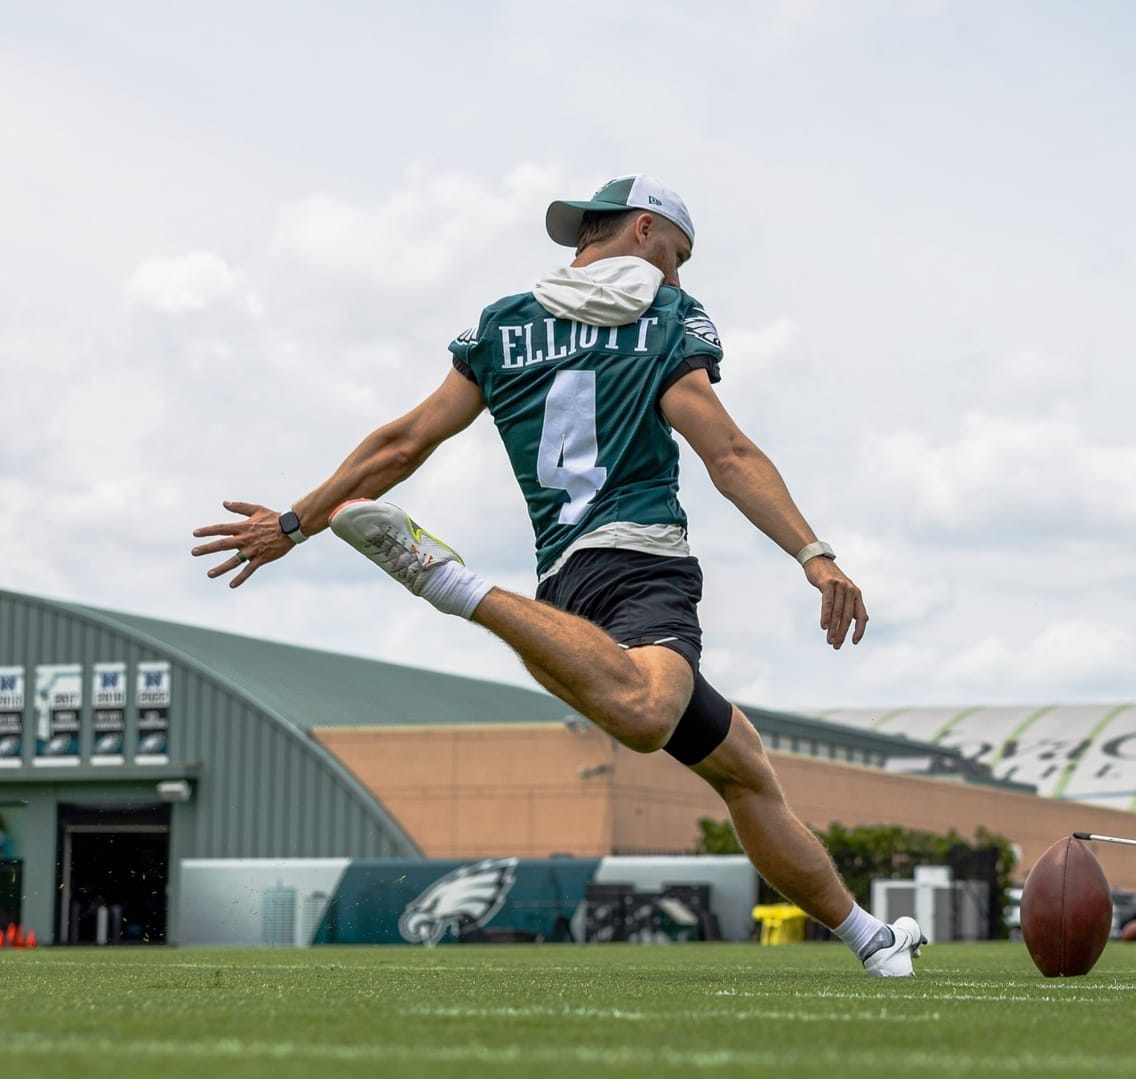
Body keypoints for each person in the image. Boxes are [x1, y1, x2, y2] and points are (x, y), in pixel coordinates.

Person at [191, 175, 924, 976]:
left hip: (566, 593)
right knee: (647, 715)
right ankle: (452, 585)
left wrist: (294, 523)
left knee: (744, 768)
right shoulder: (666, 316)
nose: (677, 278)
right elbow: (728, 452)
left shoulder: (502, 324)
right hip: (642, 561)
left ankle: (870, 937)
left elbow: (401, 443)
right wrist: (813, 553)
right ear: (643, 230)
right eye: (674, 257)